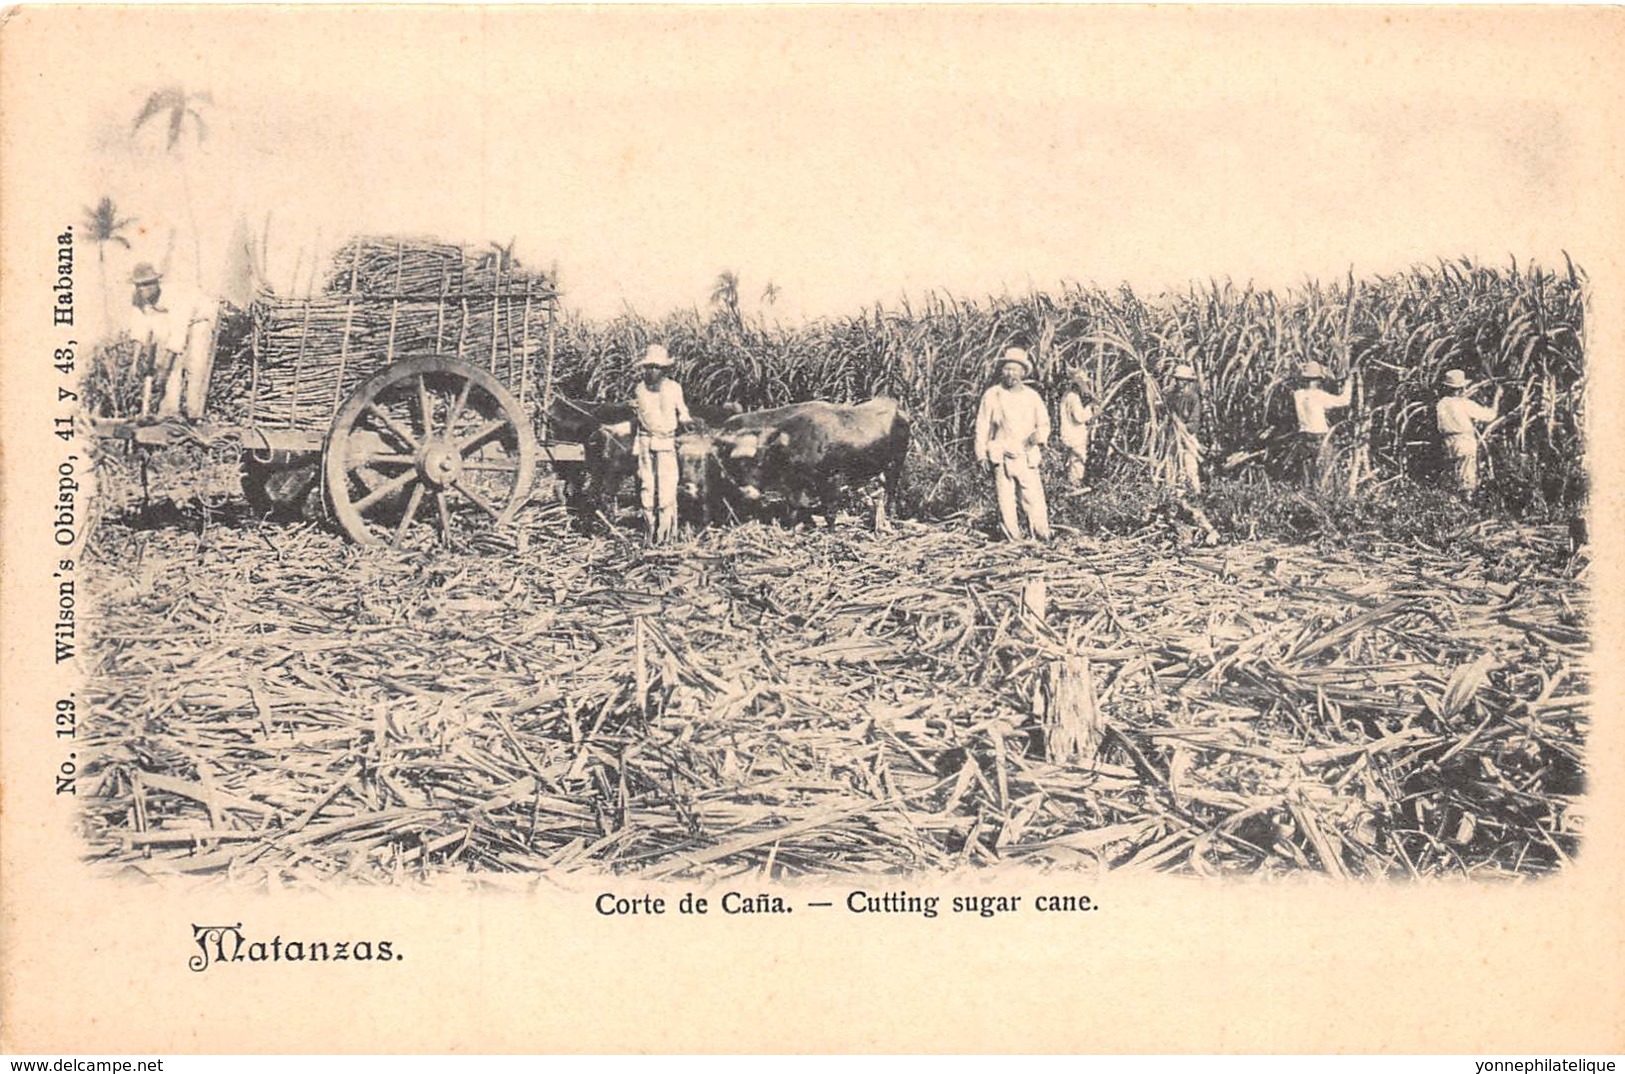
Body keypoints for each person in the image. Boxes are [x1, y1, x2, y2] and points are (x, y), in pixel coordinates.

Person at [974, 346, 1051, 542]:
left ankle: (1042, 535)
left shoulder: (1032, 396)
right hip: (1002, 454)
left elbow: (1044, 423)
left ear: (1023, 372)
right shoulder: (992, 395)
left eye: (1015, 370)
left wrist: (1039, 436)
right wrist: (981, 454)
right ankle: (1012, 538)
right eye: (1007, 369)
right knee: (1005, 500)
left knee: (1033, 497)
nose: (1011, 374)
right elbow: (982, 426)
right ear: (1002, 370)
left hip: (1026, 455)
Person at [128, 261, 213, 420]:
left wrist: (164, 368)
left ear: (156, 283)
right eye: (139, 285)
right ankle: (170, 410)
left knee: (195, 363)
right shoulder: (138, 298)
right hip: (169, 319)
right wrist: (134, 364)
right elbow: (139, 329)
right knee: (169, 364)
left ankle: (194, 412)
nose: (143, 289)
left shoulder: (176, 296)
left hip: (198, 318)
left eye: (147, 284)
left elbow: (177, 334)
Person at [630, 343, 691, 544]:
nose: (652, 371)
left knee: (666, 488)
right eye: (649, 367)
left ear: (664, 369)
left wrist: (686, 421)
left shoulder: (673, 388)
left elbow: (682, 411)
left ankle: (666, 535)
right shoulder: (640, 389)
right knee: (647, 485)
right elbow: (640, 415)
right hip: (646, 441)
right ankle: (649, 532)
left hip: (666, 441)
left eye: (656, 367)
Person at [1290, 361, 1357, 488]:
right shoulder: (1320, 396)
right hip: (1320, 436)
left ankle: (1307, 493)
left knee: (1307, 469)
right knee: (1325, 469)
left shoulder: (1297, 395)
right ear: (1318, 380)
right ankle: (1324, 495)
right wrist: (1349, 382)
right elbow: (1344, 401)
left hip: (1304, 435)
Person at [1436, 368, 1499, 494]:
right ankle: (1467, 506)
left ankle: (1452, 506)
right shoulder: (1464, 403)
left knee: (1452, 477)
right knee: (1467, 480)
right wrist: (1497, 398)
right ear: (1460, 388)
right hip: (1464, 442)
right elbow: (1490, 416)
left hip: (1447, 443)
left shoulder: (1441, 404)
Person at [1165, 364, 1203, 494]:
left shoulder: (1193, 397)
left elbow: (1195, 421)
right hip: (1173, 434)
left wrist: (1184, 429)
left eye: (1183, 379)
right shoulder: (1170, 395)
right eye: (1178, 379)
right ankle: (1173, 492)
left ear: (1188, 381)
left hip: (1187, 435)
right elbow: (1166, 411)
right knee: (1171, 461)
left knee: (1190, 463)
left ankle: (1195, 492)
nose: (1180, 382)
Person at [1058, 371, 1097, 489]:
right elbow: (1079, 417)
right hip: (1075, 435)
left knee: (1072, 461)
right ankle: (1075, 485)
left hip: (1069, 434)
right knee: (1077, 460)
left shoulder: (1067, 395)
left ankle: (1071, 484)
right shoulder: (1073, 397)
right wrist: (1091, 408)